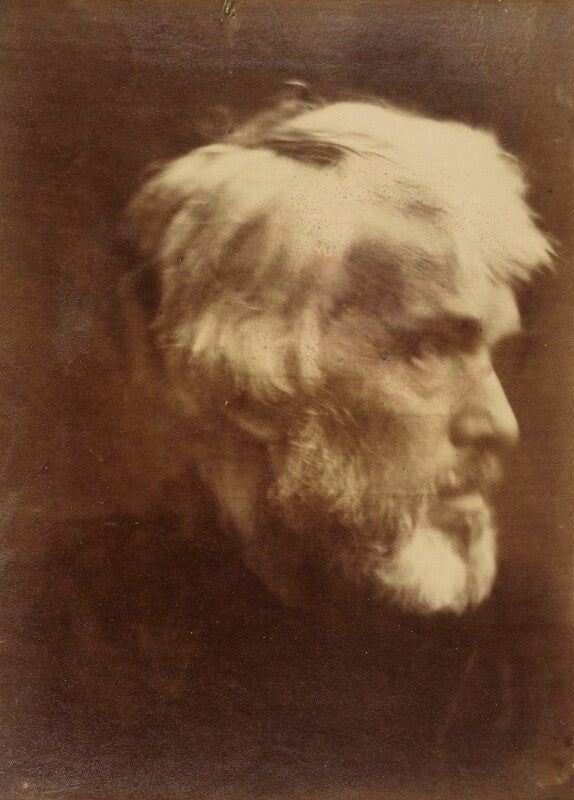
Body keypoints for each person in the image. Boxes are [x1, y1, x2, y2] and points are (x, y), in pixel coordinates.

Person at [4, 95, 556, 797]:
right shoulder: (56, 649)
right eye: (427, 350)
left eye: (495, 355)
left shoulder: (517, 655)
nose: (500, 423)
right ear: (251, 388)